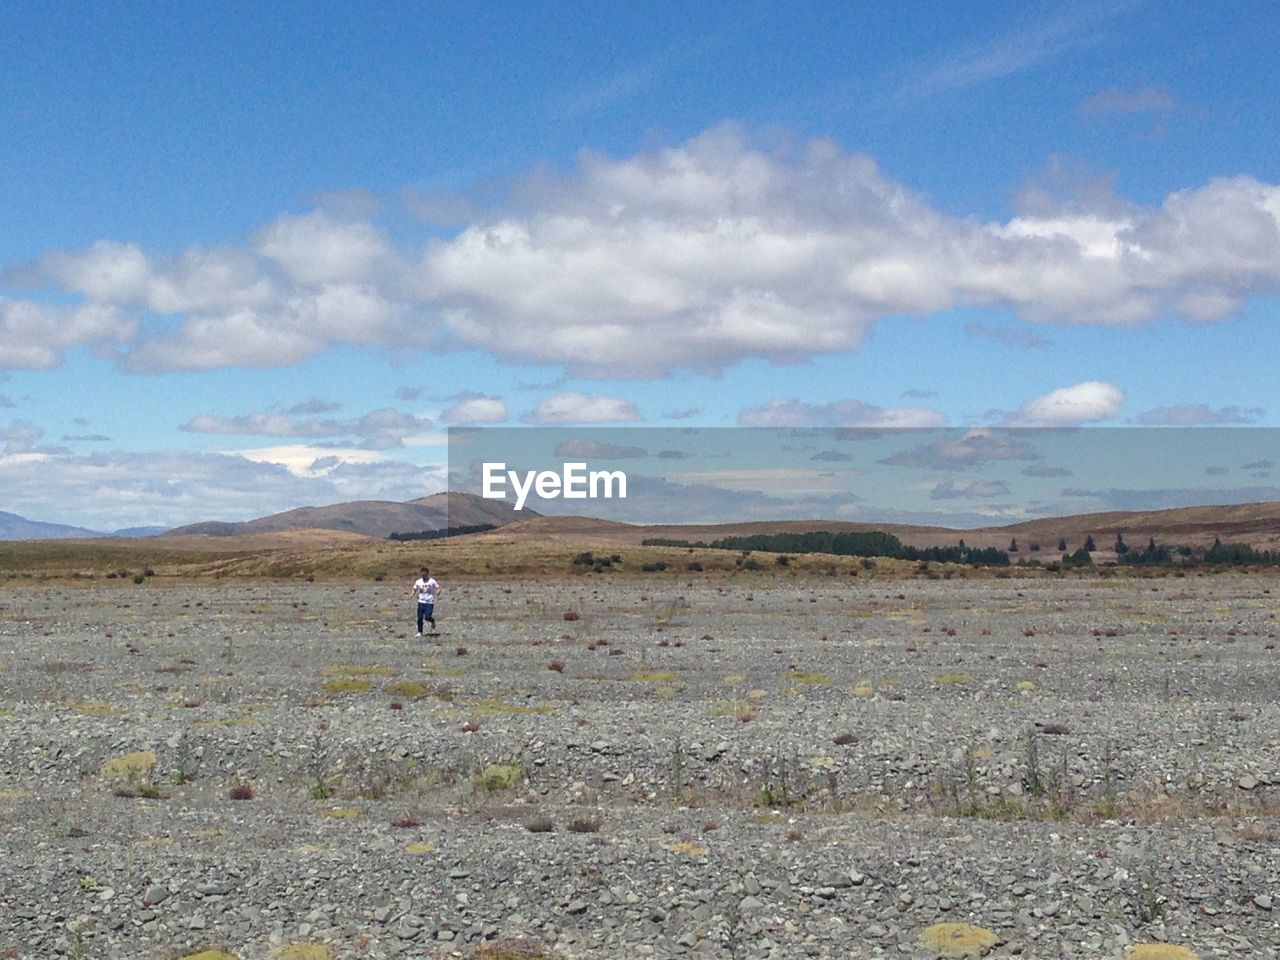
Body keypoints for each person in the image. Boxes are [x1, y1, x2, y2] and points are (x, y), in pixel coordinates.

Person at [409, 567, 441, 636]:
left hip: (429, 602)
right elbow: (415, 589)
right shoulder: (418, 582)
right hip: (421, 602)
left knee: (427, 616)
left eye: (425, 575)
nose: (423, 577)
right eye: (422, 575)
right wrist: (411, 595)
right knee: (419, 618)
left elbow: (438, 588)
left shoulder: (432, 581)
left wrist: (438, 592)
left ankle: (432, 621)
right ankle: (420, 632)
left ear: (427, 574)